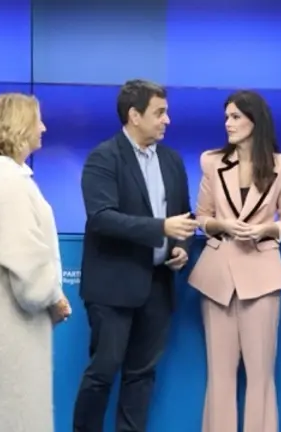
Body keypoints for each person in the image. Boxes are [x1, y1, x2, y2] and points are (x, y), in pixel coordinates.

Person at [72, 79, 197, 432]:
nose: (167, 120)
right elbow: (101, 218)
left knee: (142, 375)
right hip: (113, 286)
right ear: (134, 115)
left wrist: (181, 247)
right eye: (160, 113)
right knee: (103, 371)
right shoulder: (103, 157)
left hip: (157, 286)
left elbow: (183, 217)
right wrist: (161, 228)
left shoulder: (171, 160)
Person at [188, 90, 281, 432]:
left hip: (261, 276)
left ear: (255, 120)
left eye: (236, 117)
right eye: (227, 117)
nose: (228, 123)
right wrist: (222, 224)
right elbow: (202, 217)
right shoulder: (211, 162)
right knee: (219, 374)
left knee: (260, 375)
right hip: (217, 277)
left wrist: (267, 229)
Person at [0, 93, 72, 432]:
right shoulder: (6, 182)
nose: (43, 127)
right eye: (37, 120)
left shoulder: (0, 179)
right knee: (14, 418)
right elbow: (23, 259)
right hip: (11, 334)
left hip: (6, 331)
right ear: (19, 126)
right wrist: (53, 296)